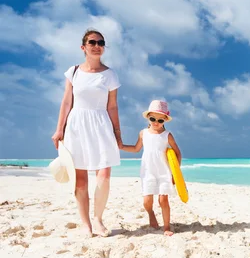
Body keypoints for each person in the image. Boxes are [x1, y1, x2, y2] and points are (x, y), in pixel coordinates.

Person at [51, 29, 123, 237]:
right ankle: (85, 225)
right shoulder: (73, 72)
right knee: (80, 180)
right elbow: (66, 102)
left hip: (101, 124)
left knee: (104, 176)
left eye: (101, 42)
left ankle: (98, 220)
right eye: (92, 42)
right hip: (76, 125)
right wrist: (59, 129)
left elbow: (112, 107)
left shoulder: (110, 75)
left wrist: (117, 133)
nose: (97, 45)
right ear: (83, 47)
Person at [122, 100, 182, 236]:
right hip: (148, 171)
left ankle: (166, 226)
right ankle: (151, 214)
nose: (156, 122)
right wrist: (122, 146)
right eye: (153, 118)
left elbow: (177, 153)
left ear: (165, 120)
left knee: (163, 200)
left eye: (160, 120)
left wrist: (175, 174)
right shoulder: (143, 133)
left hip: (164, 171)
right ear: (148, 117)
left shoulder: (167, 135)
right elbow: (136, 149)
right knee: (147, 201)